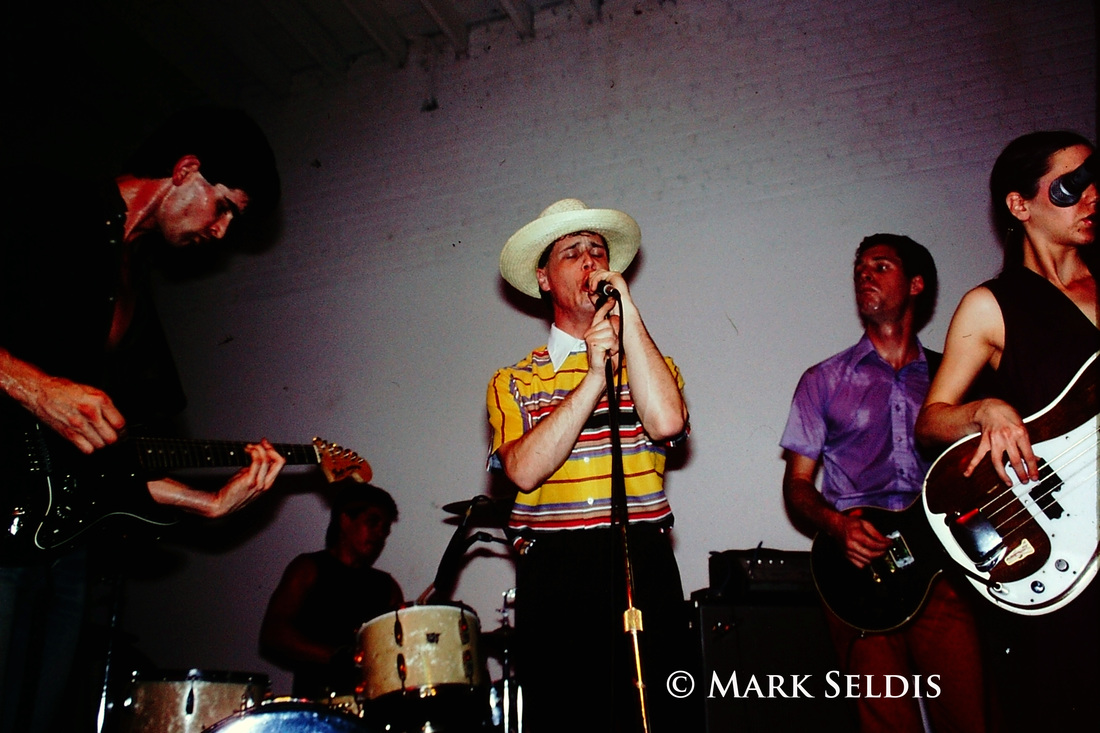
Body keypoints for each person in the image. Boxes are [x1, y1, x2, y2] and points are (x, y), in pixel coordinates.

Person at [0, 106, 288, 733]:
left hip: (63, 547)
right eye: (224, 208)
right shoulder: (42, 203)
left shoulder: (135, 284)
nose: (222, 233)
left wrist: (207, 504)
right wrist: (33, 387)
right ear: (186, 169)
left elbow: (114, 461)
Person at [915, 130, 1098, 731]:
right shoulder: (989, 306)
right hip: (1069, 534)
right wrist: (983, 410)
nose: (1092, 196)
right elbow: (931, 419)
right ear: (1020, 205)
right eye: (1070, 186)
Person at [486, 199, 690, 733]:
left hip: (642, 556)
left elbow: (667, 422)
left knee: (660, 715)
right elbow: (523, 470)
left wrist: (628, 315)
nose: (590, 261)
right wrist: (595, 378)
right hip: (557, 571)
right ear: (544, 279)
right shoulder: (515, 381)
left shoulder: (654, 365)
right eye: (572, 253)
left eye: (597, 251)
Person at [780, 234, 988, 732]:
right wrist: (837, 526)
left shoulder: (951, 380)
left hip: (943, 568)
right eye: (859, 268)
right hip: (858, 574)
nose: (864, 275)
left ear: (916, 284)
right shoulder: (822, 380)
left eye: (880, 266)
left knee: (969, 716)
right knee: (884, 722)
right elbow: (798, 486)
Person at [260, 482, 403, 700]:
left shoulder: (387, 586)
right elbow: (274, 633)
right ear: (345, 520)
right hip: (317, 703)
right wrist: (339, 656)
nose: (380, 534)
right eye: (373, 522)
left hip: (371, 706)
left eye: (385, 528)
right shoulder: (308, 568)